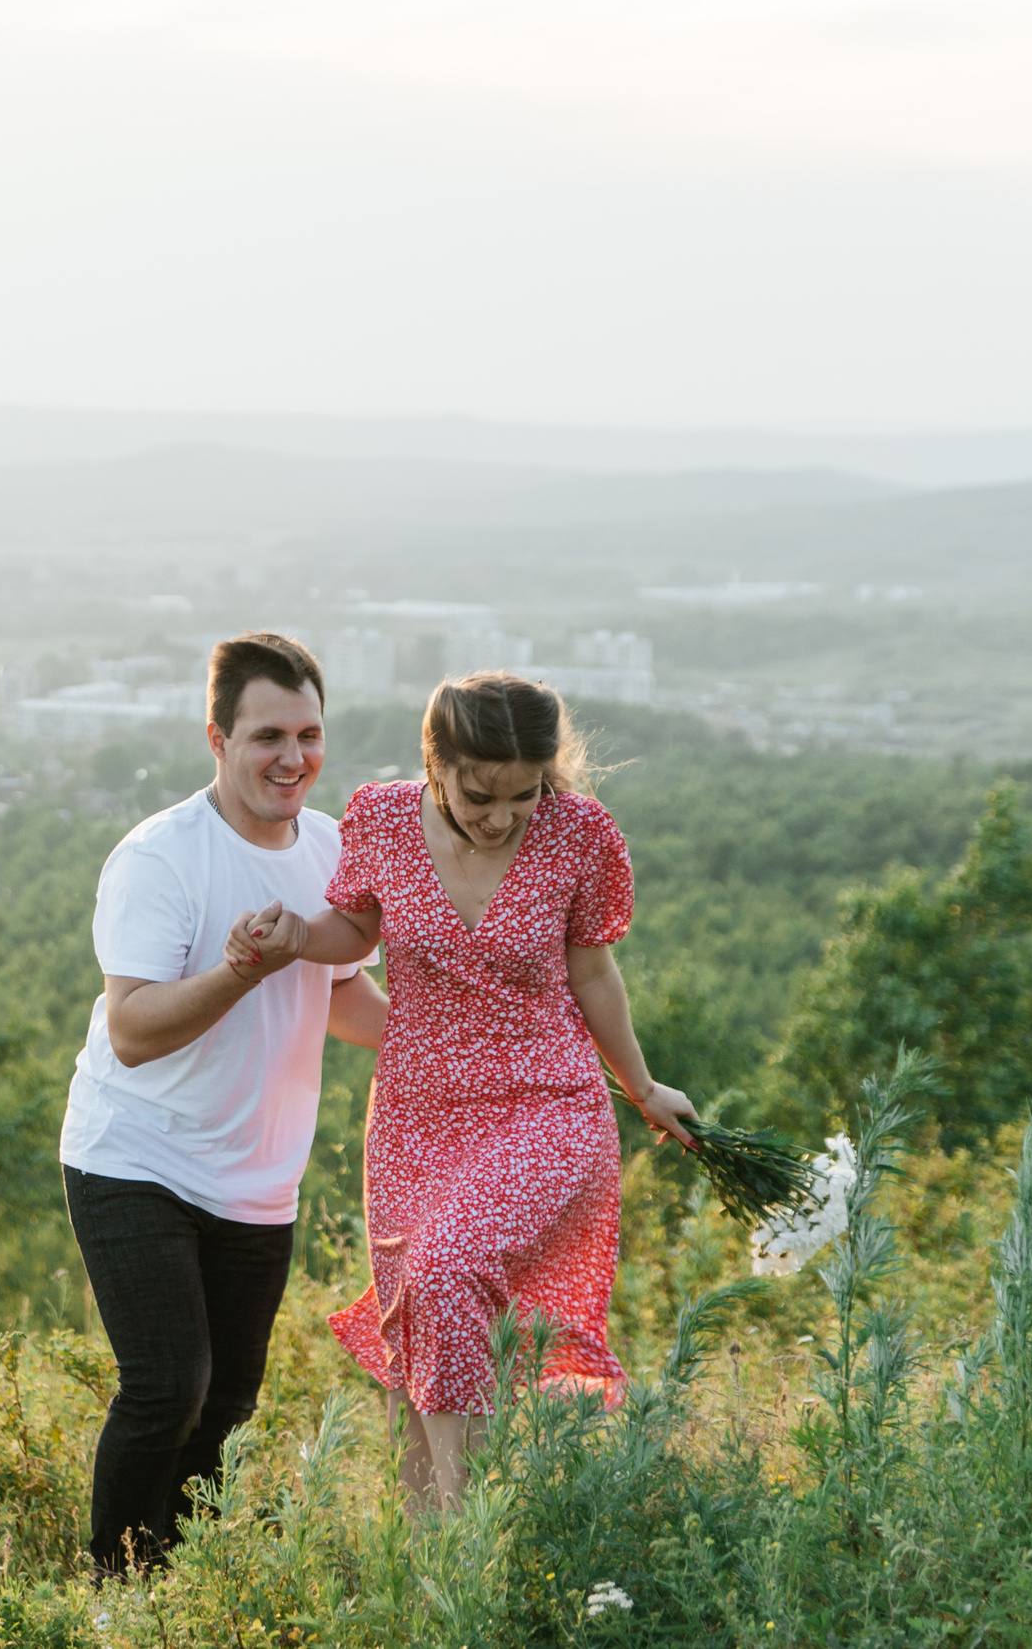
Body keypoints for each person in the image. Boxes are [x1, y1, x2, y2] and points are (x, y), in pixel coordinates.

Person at [229, 670, 696, 1514]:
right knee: (425, 1314)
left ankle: (470, 1529)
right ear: (435, 762)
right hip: (416, 1116)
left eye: (524, 794)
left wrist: (643, 1085)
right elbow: (358, 928)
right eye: (480, 793)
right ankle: (426, 1560)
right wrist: (299, 936)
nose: (500, 816)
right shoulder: (379, 820)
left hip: (547, 1103)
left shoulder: (579, 833)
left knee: (447, 1269)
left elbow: (593, 973)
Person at [58, 631, 389, 1574]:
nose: (294, 758)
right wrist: (244, 966)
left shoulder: (330, 849)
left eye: (310, 734)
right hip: (136, 1158)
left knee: (230, 1403)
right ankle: (115, 1595)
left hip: (257, 1178)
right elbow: (134, 1027)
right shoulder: (160, 858)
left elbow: (341, 997)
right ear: (217, 737)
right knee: (169, 1386)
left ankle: (185, 1589)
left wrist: (464, 1043)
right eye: (268, 736)